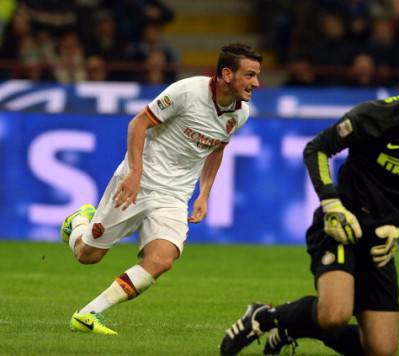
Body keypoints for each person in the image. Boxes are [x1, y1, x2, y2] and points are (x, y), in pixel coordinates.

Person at [219, 52, 399, 355]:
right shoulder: (377, 116)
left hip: (380, 239)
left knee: (381, 350)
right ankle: (264, 317)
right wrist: (331, 204)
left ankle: (291, 327)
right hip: (342, 225)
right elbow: (318, 148)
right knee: (334, 314)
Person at [60, 43, 262, 335]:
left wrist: (204, 193)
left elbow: (217, 149)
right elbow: (138, 124)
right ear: (227, 74)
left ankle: (88, 314)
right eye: (250, 75)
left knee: (162, 260)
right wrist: (134, 173)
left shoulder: (239, 114)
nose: (256, 83)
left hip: (175, 196)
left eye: (257, 75)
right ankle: (78, 222)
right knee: (87, 255)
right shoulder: (187, 92)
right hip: (139, 182)